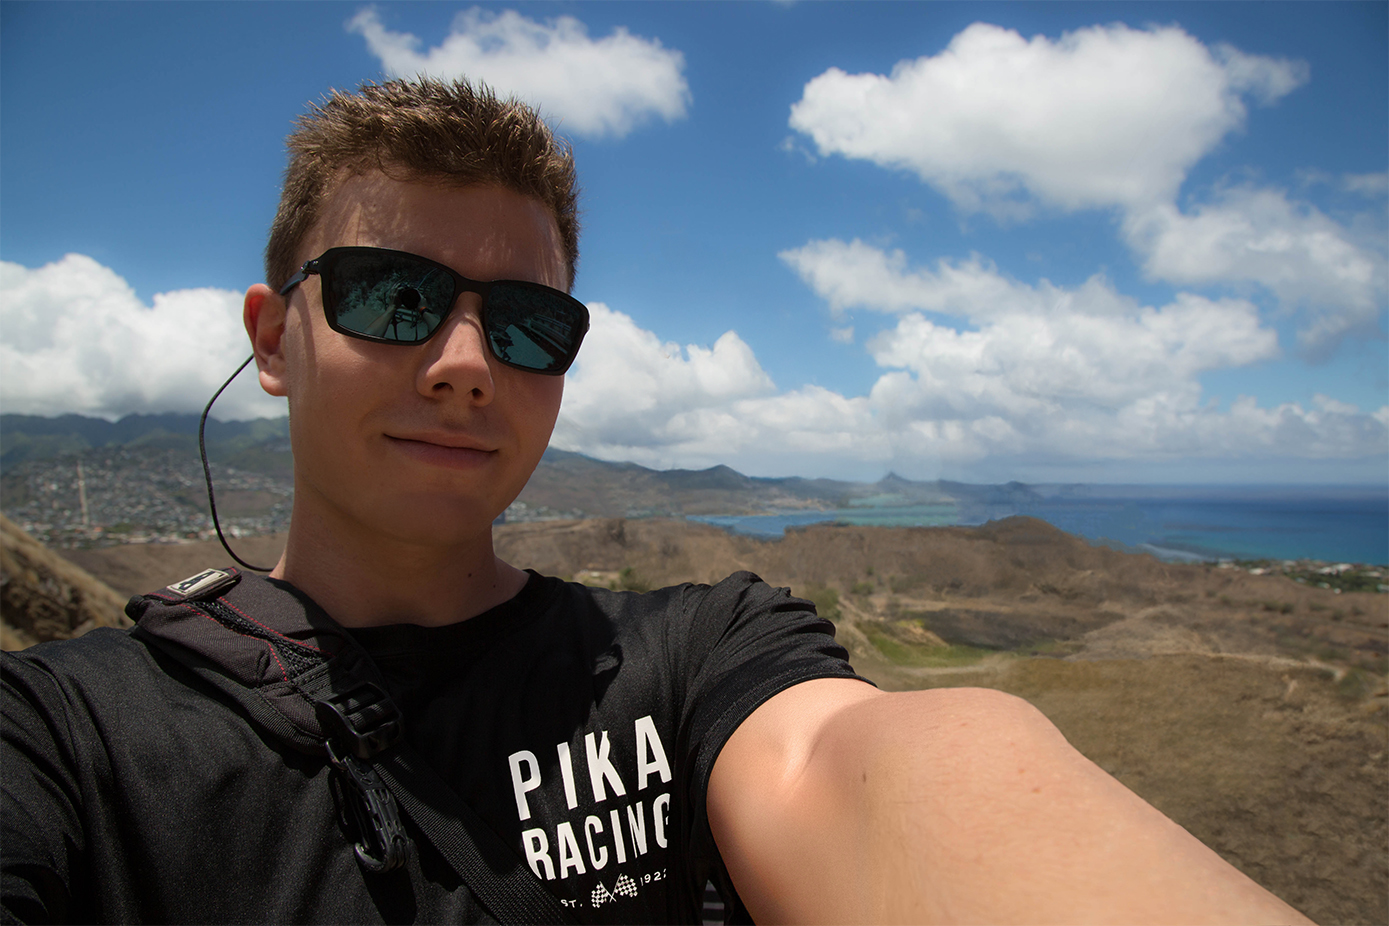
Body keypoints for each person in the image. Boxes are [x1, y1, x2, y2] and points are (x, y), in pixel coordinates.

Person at [1, 78, 1312, 925]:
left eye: (524, 323)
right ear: (274, 339)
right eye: (393, 298)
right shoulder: (73, 741)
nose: (463, 365)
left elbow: (865, 774)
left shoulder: (688, 657)